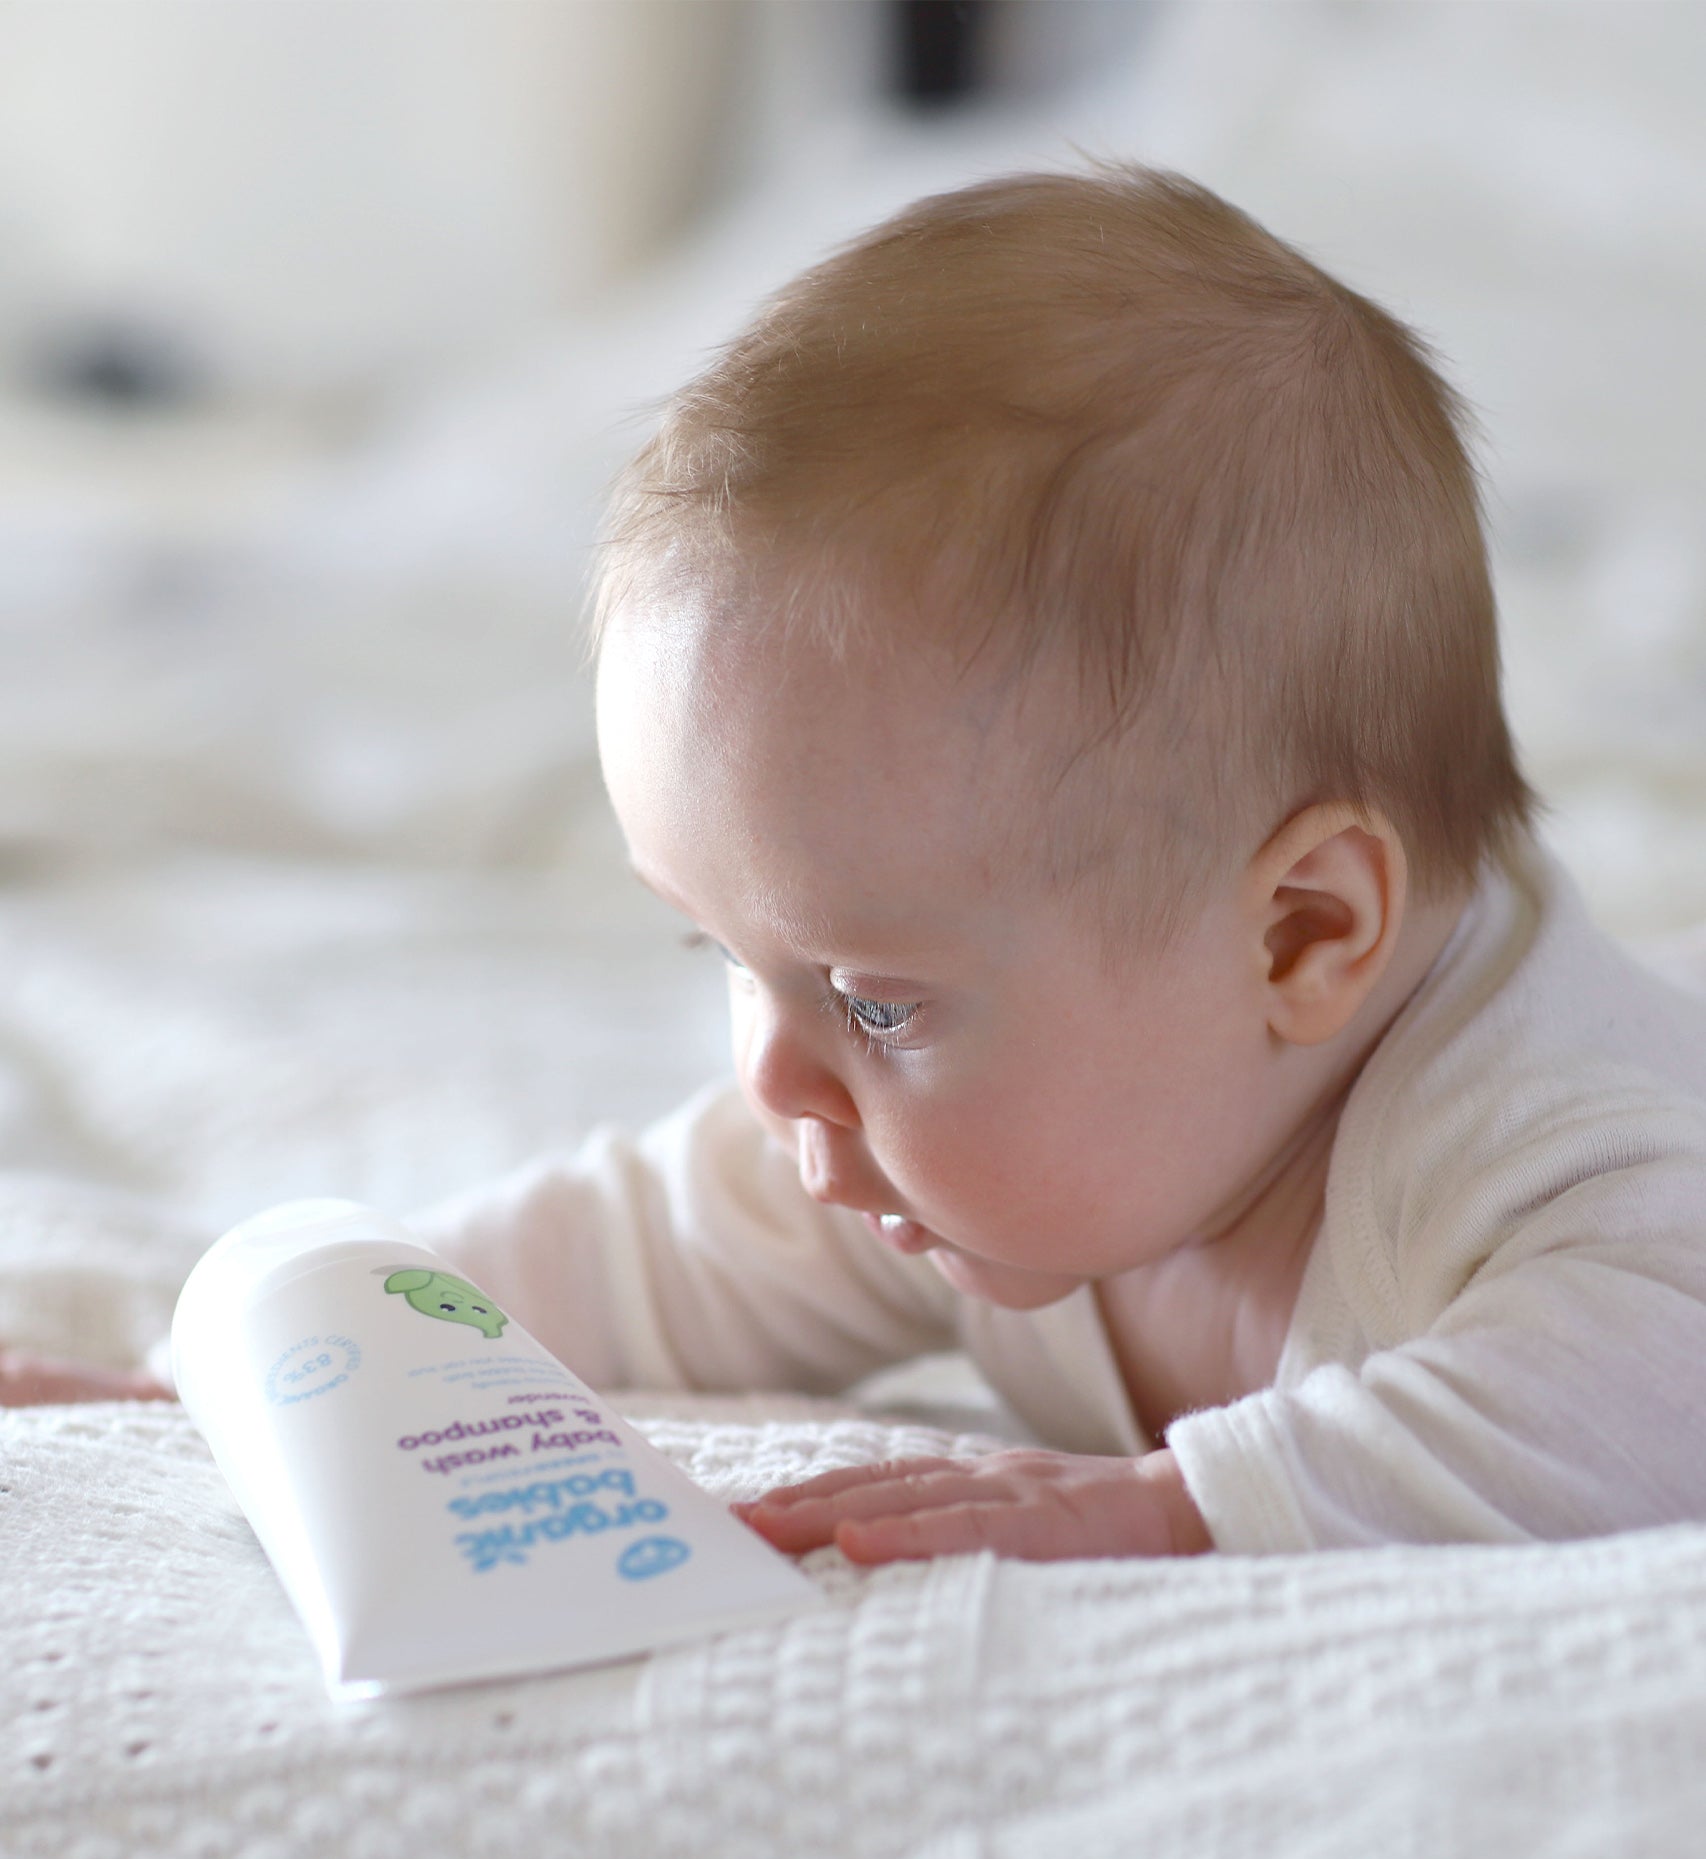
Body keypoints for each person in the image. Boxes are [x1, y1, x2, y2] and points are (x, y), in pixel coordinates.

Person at [23, 166, 1706, 1568]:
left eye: (873, 1000)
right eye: (722, 958)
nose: (773, 1078)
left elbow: (1658, 1381)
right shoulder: (938, 1139)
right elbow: (637, 1252)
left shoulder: (1538, 1147)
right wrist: (255, 1382)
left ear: (1299, 936)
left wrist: (1182, 1506)